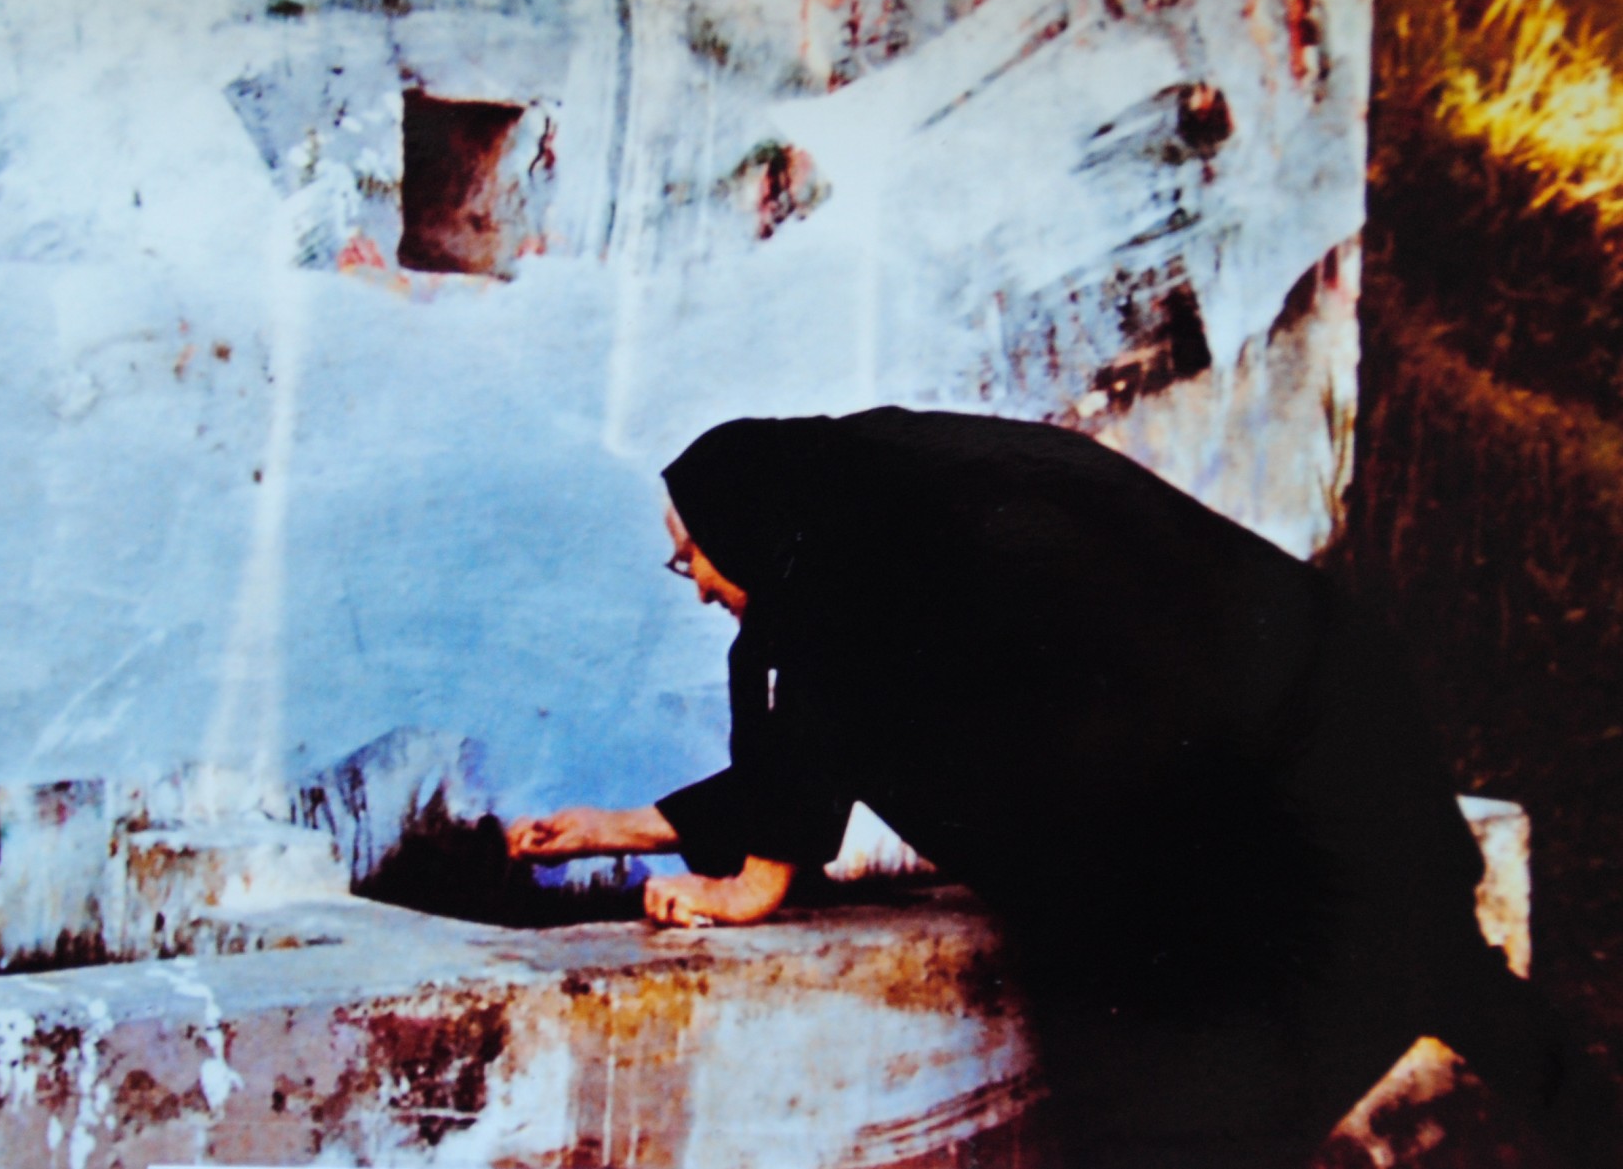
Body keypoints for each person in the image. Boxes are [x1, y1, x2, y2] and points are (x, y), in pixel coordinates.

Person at [506, 407, 1618, 1169]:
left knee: (1183, 1114)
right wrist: (619, 827)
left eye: (693, 556)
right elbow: (816, 733)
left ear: (752, 529)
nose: (697, 585)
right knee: (1431, 992)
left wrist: (752, 877)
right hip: (1310, 763)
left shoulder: (861, 563)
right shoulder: (877, 515)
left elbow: (812, 722)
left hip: (1284, 801)